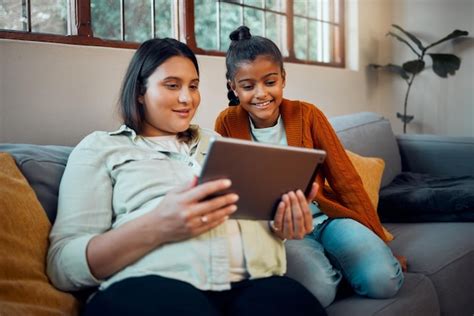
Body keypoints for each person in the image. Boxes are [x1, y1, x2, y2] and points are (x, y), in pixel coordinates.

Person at [46, 37, 326, 316]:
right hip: (152, 285)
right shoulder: (101, 148)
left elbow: (256, 225)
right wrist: (158, 225)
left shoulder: (217, 142)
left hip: (253, 283)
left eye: (193, 86)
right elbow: (62, 265)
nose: (187, 98)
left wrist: (281, 226)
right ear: (140, 91)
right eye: (172, 85)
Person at [215, 26, 404, 307]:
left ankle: (350, 261)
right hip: (282, 231)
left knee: (384, 282)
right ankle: (334, 267)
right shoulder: (227, 123)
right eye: (248, 86)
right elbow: (233, 193)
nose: (261, 94)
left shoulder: (308, 115)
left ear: (283, 79)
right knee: (318, 293)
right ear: (233, 86)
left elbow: (346, 180)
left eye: (270, 82)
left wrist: (378, 239)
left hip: (329, 219)